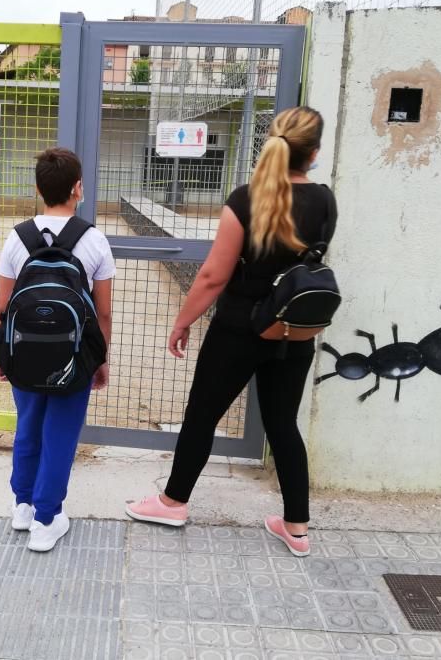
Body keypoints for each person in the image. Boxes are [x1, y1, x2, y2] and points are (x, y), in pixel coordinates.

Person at [125, 107, 336, 557]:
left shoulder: (246, 199)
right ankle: (296, 527)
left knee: (202, 415)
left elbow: (212, 277)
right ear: (313, 153)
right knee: (283, 426)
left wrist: (183, 321)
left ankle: (173, 502)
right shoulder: (325, 201)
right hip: (293, 331)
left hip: (238, 330)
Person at [0, 147, 115, 552]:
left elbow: (2, 307)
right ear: (77, 188)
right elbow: (104, 313)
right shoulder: (94, 240)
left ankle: (23, 506)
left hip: (23, 353)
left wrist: (2, 356)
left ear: (37, 188)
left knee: (27, 427)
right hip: (75, 357)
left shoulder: (17, 237)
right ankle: (47, 519)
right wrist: (99, 362)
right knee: (60, 433)